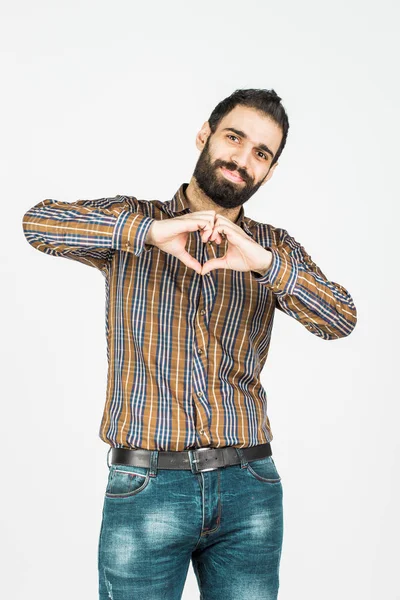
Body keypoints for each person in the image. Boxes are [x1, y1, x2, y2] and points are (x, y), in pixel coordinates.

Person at [22, 88, 357, 600]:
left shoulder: (273, 249)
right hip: (147, 486)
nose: (242, 159)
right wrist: (150, 231)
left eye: (261, 154)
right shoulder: (135, 222)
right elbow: (38, 223)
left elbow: (340, 318)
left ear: (268, 171)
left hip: (250, 488)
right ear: (205, 135)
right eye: (234, 138)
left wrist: (265, 264)